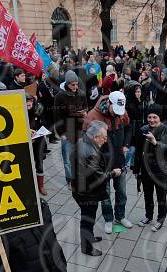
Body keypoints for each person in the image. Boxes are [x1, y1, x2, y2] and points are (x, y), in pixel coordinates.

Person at [83, 90, 132, 233]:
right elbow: (86, 141)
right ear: (108, 103)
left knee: (122, 192)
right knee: (105, 194)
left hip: (119, 160)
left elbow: (128, 128)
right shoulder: (93, 116)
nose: (117, 114)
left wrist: (126, 144)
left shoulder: (122, 112)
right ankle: (108, 219)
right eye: (114, 110)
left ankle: (120, 216)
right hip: (102, 163)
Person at [71, 121, 121, 256]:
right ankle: (87, 248)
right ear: (94, 137)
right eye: (103, 138)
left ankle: (90, 237)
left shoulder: (82, 141)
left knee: (89, 217)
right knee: (88, 219)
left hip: (81, 188)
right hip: (87, 193)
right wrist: (113, 173)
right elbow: (98, 177)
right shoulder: (90, 152)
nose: (105, 141)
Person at [135, 104, 167, 232]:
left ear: (160, 117)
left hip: (161, 169)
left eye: (155, 117)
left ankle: (161, 218)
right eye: (149, 117)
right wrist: (136, 169)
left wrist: (156, 143)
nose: (152, 120)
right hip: (146, 168)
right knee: (147, 194)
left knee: (161, 196)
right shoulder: (143, 129)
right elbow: (138, 151)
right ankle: (148, 216)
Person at [54, 70, 88, 187]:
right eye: (72, 84)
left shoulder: (81, 93)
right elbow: (57, 116)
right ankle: (70, 180)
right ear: (67, 84)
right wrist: (61, 133)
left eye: (76, 84)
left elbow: (85, 107)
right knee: (67, 159)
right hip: (66, 130)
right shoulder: (60, 96)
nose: (75, 87)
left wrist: (84, 113)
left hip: (79, 130)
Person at [26, 93, 48, 196]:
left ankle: (41, 186)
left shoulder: (38, 109)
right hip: (26, 141)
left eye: (30, 101)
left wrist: (37, 131)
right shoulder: (19, 110)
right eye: (26, 101)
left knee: (39, 162)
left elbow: (44, 123)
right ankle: (29, 185)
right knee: (27, 163)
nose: (28, 103)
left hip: (38, 140)